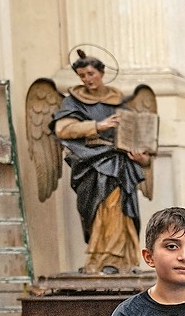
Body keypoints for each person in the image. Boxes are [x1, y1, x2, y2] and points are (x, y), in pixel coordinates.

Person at [50, 50, 153, 274]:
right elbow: (62, 129)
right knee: (95, 211)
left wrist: (141, 157)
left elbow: (142, 145)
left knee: (117, 208)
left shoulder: (120, 104)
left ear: (102, 72)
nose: (87, 79)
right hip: (89, 163)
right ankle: (98, 258)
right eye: (82, 75)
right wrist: (98, 126)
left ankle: (116, 260)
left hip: (118, 165)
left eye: (90, 73)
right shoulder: (73, 102)